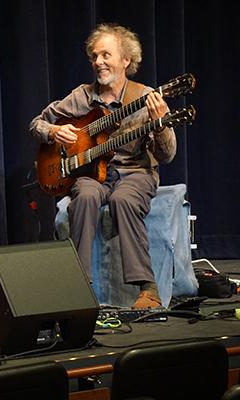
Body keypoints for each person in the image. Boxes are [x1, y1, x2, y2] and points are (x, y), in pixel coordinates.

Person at [29, 23, 177, 309]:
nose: (98, 62)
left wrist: (160, 125)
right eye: (94, 56)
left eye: (106, 55)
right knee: (83, 195)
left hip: (135, 172)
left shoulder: (145, 96)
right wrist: (54, 132)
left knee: (123, 200)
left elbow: (168, 155)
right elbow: (36, 123)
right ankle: (78, 287)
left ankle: (148, 289)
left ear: (126, 60)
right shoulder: (82, 96)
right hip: (92, 175)